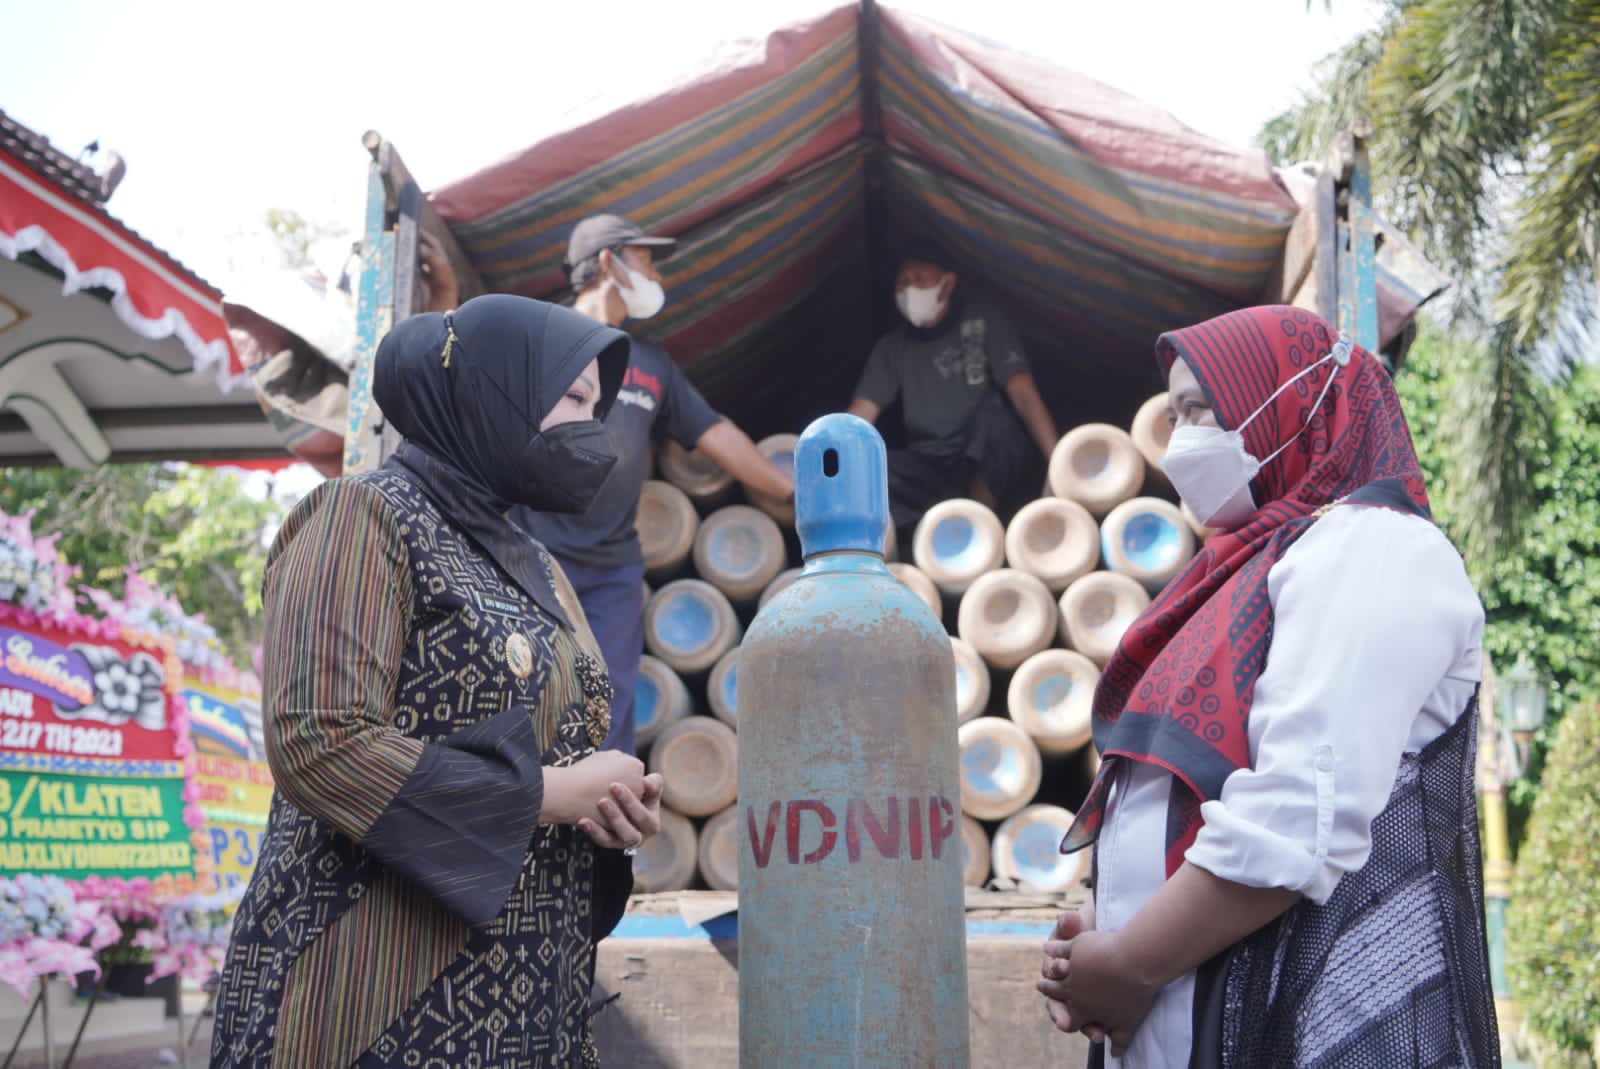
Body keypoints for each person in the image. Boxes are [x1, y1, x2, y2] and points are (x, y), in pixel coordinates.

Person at [1035, 305, 1498, 1067]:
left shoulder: (1373, 547)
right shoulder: (1243, 570)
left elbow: (1296, 812)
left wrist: (1132, 961)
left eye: (1200, 410)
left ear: (1297, 405)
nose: (1181, 441)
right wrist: (1111, 922)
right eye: (1174, 414)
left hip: (1316, 1024)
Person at [210, 295, 664, 1068]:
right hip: (373, 1000)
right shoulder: (363, 516)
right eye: (575, 397)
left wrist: (608, 810)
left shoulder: (543, 569)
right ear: (497, 387)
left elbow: (561, 756)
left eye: (600, 406)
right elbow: (319, 739)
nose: (596, 427)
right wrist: (555, 793)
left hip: (522, 1008)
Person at [512, 213, 794, 756]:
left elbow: (716, 433)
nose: (657, 276)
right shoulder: (537, 342)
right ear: (607, 263)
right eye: (645, 261)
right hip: (534, 556)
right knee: (529, 695)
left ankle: (603, 812)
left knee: (609, 705)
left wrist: (792, 492)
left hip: (611, 568)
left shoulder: (649, 364)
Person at [845, 240, 1059, 541]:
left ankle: (975, 526)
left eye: (919, 278)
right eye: (902, 282)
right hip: (929, 466)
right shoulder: (891, 348)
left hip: (981, 461)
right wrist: (827, 468)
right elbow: (858, 418)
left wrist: (1059, 463)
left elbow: (1023, 394)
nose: (909, 289)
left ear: (947, 284)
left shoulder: (984, 321)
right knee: (873, 472)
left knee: (998, 424)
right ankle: (927, 543)